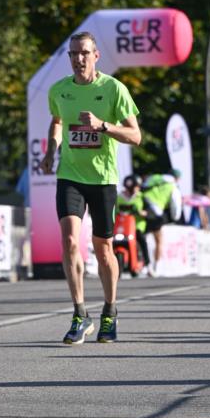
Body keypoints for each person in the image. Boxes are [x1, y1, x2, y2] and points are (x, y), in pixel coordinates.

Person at [40, 31, 141, 344]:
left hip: (103, 179)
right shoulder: (59, 90)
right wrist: (51, 150)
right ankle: (80, 314)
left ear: (96, 56)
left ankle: (109, 311)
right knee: (70, 240)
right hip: (70, 175)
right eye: (72, 54)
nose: (78, 59)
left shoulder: (113, 89)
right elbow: (57, 120)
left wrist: (103, 126)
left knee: (103, 249)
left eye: (83, 53)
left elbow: (135, 136)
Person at [141, 171, 182, 275]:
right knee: (158, 240)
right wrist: (175, 218)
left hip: (142, 206)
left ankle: (143, 264)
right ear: (177, 178)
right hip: (156, 212)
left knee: (140, 237)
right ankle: (155, 267)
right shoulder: (172, 186)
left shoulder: (155, 177)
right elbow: (175, 204)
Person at [116, 173, 150, 271]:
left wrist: (140, 212)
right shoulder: (118, 197)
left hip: (136, 225)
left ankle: (146, 262)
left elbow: (148, 211)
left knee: (141, 239)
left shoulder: (141, 197)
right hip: (121, 226)